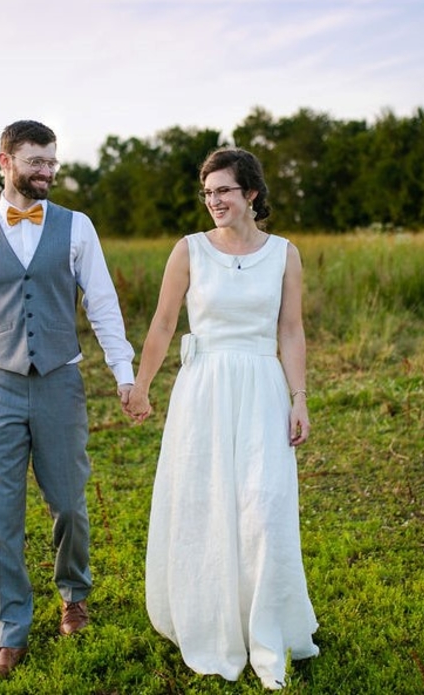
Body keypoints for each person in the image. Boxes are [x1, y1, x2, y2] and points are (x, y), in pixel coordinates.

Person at [0, 119, 135, 681]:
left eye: (52, 161)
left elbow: (102, 304)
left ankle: (73, 596)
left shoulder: (77, 228)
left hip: (60, 380)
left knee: (70, 504)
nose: (47, 171)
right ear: (4, 161)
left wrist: (122, 373)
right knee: (2, 515)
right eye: (35, 161)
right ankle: (11, 634)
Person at [124, 147, 319, 690]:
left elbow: (291, 330)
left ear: (251, 193)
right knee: (205, 502)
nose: (214, 201)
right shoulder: (188, 251)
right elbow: (163, 324)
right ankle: (212, 621)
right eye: (208, 192)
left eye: (225, 191)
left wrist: (298, 395)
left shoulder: (285, 254)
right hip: (203, 388)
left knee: (264, 505)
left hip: (261, 386)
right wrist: (142, 385)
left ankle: (265, 630)